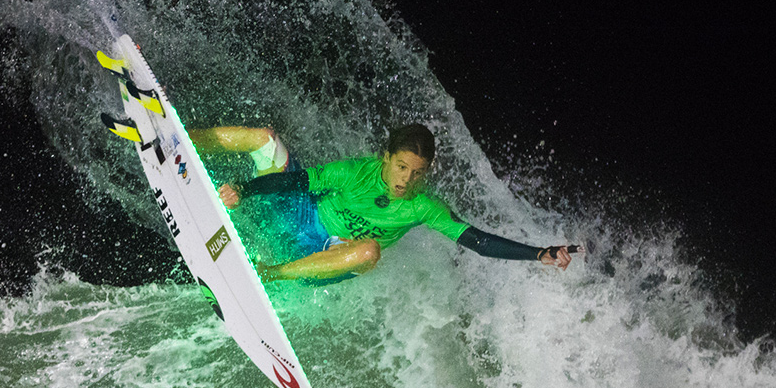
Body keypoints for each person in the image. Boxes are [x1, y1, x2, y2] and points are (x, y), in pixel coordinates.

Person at [193, 124, 580, 283]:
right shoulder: (356, 172)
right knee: (264, 139)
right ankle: (184, 137)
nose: (405, 180)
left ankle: (271, 274)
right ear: (386, 158)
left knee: (370, 251)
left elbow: (477, 240)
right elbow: (298, 181)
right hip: (302, 216)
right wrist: (247, 190)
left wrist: (540, 254)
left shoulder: (424, 207)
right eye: (400, 168)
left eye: (417, 173)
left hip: (327, 258)